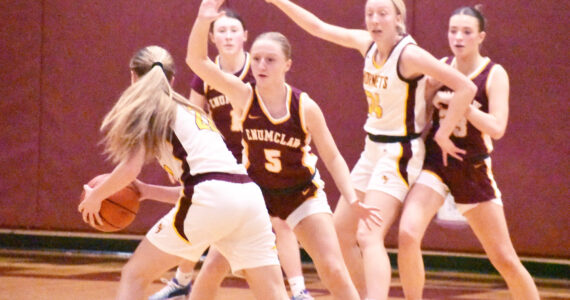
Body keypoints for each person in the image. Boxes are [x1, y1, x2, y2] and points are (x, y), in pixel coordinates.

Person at [264, 0, 477, 299]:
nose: (375, 20)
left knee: (369, 234)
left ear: (398, 17)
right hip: (372, 149)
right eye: (370, 14)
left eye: (382, 14)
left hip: (399, 152)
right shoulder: (367, 44)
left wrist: (442, 133)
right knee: (340, 232)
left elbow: (466, 87)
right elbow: (317, 27)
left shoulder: (410, 55)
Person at [186, 1, 382, 299]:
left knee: (333, 268)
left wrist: (352, 198)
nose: (261, 66)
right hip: (256, 195)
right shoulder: (243, 96)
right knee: (214, 264)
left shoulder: (305, 106)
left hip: (301, 193)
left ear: (287, 65)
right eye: (258, 60)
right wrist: (202, 21)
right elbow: (197, 61)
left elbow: (332, 156)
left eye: (271, 60)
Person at [77, 45, 290, 300]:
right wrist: (147, 191)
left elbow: (130, 169)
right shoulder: (190, 110)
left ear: (133, 77)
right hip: (249, 197)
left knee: (135, 274)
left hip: (212, 198)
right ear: (172, 79)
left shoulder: (150, 109)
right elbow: (209, 184)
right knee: (274, 293)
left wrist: (96, 197)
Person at [148, 8, 313, 300]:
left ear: (245, 36)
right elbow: (191, 114)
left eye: (233, 30)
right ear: (211, 37)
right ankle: (182, 280)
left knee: (279, 222)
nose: (228, 36)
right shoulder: (207, 75)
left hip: (258, 157)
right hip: (222, 163)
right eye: (221, 31)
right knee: (204, 222)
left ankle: (299, 290)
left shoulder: (258, 69)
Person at [397, 6, 540, 300]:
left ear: (480, 37)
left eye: (466, 32)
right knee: (408, 234)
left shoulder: (494, 73)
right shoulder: (441, 65)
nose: (458, 37)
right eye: (453, 31)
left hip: (471, 168)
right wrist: (428, 94)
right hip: (436, 164)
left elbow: (497, 128)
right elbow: (419, 119)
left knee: (505, 259)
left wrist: (466, 106)